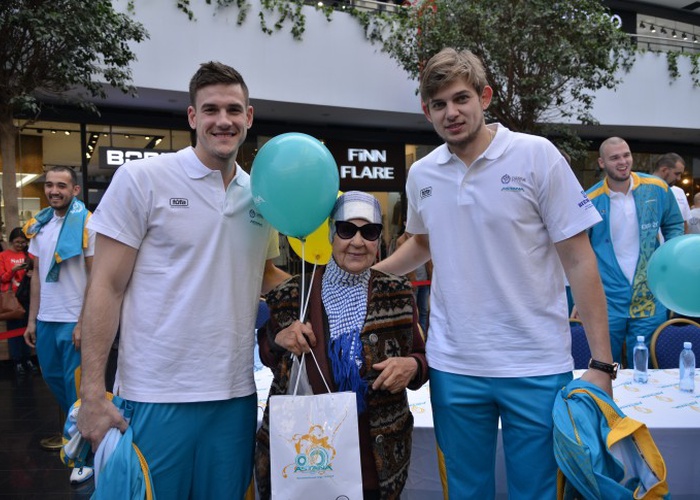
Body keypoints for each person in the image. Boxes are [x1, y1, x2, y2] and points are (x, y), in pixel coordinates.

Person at [373, 48, 614, 499]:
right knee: (466, 492)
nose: (451, 112)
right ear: (427, 111)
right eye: (439, 104)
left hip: (536, 364)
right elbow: (423, 244)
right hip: (454, 366)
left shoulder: (536, 155)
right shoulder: (422, 173)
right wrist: (366, 277)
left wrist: (601, 363)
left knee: (537, 492)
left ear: (484, 97)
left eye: (461, 99)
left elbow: (579, 258)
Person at [76, 61, 289, 499]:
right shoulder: (142, 179)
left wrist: (340, 283)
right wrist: (93, 393)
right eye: (211, 109)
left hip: (234, 395)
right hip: (155, 394)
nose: (223, 120)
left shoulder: (261, 195)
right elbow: (106, 286)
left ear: (249, 117)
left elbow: (265, 275)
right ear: (193, 117)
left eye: (233, 109)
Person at [255, 191, 428, 500]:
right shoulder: (294, 293)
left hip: (376, 461)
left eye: (369, 231)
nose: (357, 242)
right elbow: (267, 353)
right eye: (347, 230)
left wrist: (412, 366)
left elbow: (421, 356)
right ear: (332, 235)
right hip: (305, 458)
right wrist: (278, 339)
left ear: (379, 239)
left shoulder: (398, 292)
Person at [22, 166, 95, 484]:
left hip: (73, 322)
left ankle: (83, 457)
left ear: (74, 190)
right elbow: (36, 276)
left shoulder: (88, 223)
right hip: (46, 321)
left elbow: (96, 278)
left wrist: (84, 322)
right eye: (50, 185)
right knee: (55, 382)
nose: (54, 190)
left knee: (76, 390)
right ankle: (77, 438)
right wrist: (31, 320)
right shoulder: (39, 225)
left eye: (62, 186)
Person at [587, 137, 683, 366]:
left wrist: (670, 262)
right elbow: (581, 252)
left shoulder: (657, 188)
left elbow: (674, 224)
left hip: (648, 294)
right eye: (614, 158)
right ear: (601, 163)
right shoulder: (589, 200)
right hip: (607, 298)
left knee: (645, 366)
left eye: (626, 155)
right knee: (604, 364)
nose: (623, 162)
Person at [0, 227, 36, 376]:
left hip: (27, 296)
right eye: (17, 242)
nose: (20, 245)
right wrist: (14, 269)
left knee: (27, 329)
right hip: (12, 299)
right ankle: (17, 361)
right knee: (14, 331)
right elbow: (3, 278)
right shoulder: (3, 256)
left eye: (22, 242)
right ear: (10, 242)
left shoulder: (29, 254)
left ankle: (28, 358)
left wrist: (31, 273)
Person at [396, 229, 432, 335]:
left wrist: (431, 275)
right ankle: (415, 336)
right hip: (411, 283)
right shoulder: (401, 241)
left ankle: (423, 336)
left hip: (424, 281)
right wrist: (410, 279)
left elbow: (429, 260)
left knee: (424, 310)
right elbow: (401, 262)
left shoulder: (424, 237)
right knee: (412, 313)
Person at [652, 152, 691, 234]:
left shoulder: (679, 192)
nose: (679, 178)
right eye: (677, 174)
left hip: (674, 241)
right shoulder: (642, 189)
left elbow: (684, 224)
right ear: (664, 170)